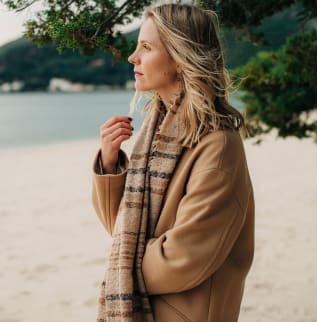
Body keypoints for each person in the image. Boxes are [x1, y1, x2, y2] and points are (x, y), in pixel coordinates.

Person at [91, 3, 254, 322]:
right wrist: (110, 165)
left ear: (181, 59)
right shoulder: (156, 133)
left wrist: (121, 266)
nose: (132, 57)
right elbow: (124, 230)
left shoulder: (217, 144)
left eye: (146, 47)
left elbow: (185, 258)